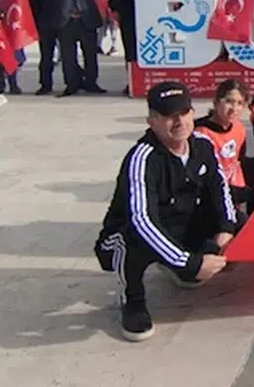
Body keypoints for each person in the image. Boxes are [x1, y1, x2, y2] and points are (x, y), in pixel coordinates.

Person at [94, 81, 236, 342]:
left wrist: (226, 229)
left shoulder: (203, 144)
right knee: (132, 238)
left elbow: (220, 189)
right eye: (169, 116)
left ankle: (181, 265)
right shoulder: (142, 157)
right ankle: (132, 299)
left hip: (178, 223)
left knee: (235, 221)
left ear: (193, 113)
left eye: (184, 113)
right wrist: (189, 263)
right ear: (152, 121)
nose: (179, 122)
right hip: (129, 234)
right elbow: (141, 220)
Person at [193, 79, 254, 219]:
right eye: (229, 101)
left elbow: (237, 161)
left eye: (240, 103)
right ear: (216, 102)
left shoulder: (239, 128)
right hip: (214, 197)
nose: (234, 108)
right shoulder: (200, 134)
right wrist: (251, 191)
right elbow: (205, 184)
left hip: (235, 190)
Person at [49, 0, 106, 97]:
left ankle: (91, 83)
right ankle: (71, 84)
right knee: (68, 56)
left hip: (86, 20)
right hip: (66, 21)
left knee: (90, 55)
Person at [110, 0, 166, 89]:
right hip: (129, 16)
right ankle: (133, 82)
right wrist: (115, 10)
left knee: (151, 50)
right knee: (130, 51)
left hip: (150, 17)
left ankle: (153, 82)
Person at [23, 0, 59, 95]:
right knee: (46, 56)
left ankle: (74, 82)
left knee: (69, 55)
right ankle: (45, 84)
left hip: (62, 23)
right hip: (43, 24)